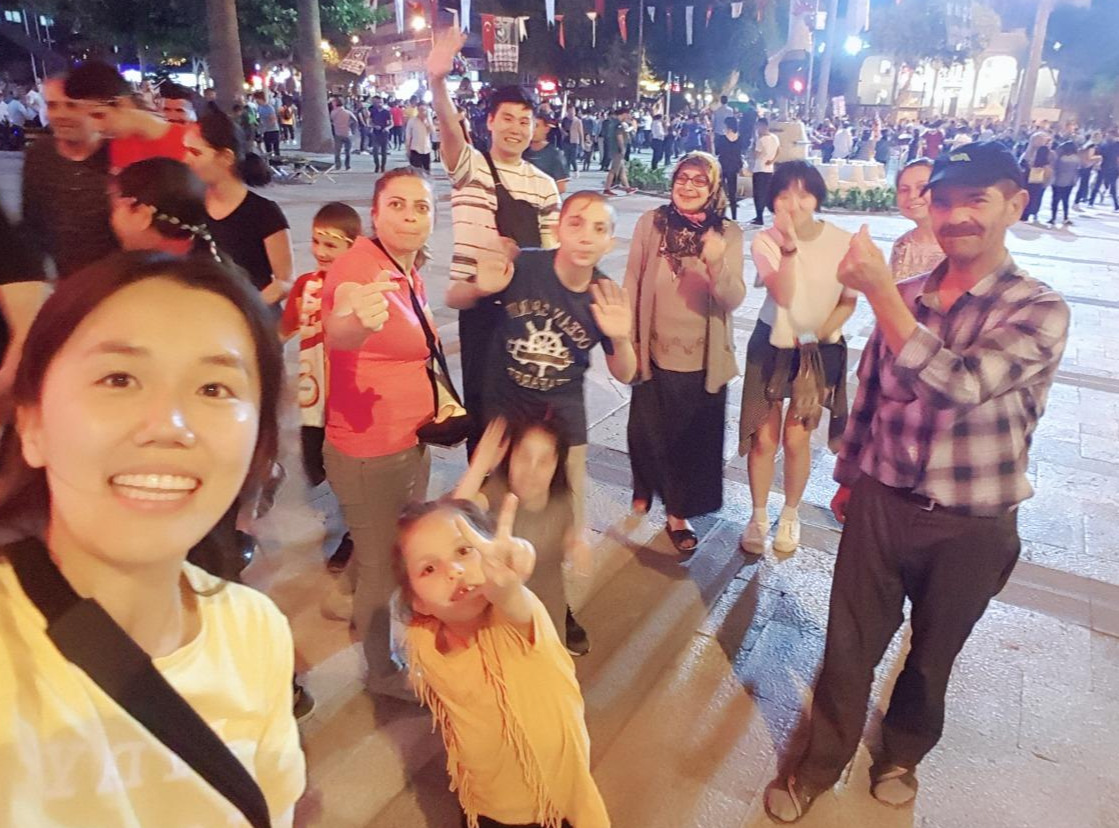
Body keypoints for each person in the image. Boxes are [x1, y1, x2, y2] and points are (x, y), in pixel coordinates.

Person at [764, 143, 1069, 823]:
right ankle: (818, 763)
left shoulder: (1037, 309)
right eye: (944, 201)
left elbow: (960, 384)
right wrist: (847, 476)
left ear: (1015, 205)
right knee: (848, 648)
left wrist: (877, 292)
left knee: (932, 655)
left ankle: (900, 753)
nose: (955, 216)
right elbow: (869, 398)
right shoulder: (906, 299)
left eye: (976, 200)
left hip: (972, 521)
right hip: (882, 500)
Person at [0, 251, 306, 825]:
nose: (169, 425)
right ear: (32, 424)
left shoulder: (256, 633)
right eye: (119, 379)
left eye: (214, 388)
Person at [393, 496, 610, 828]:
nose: (454, 571)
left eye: (464, 550)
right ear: (417, 602)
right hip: (482, 800)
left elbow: (513, 598)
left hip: (549, 807)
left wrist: (508, 584)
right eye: (429, 568)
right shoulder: (424, 638)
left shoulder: (514, 626)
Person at [447, 191, 637, 562]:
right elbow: (455, 297)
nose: (585, 236)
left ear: (610, 242)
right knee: (491, 486)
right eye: (576, 224)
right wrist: (480, 286)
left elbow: (626, 373)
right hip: (507, 404)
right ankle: (486, 558)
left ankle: (556, 561)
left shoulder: (604, 295)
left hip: (562, 410)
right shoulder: (525, 266)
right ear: (558, 228)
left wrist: (621, 338)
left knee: (566, 489)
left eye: (599, 229)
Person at [319, 168, 436, 696]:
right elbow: (341, 325)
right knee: (382, 570)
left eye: (421, 207)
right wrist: (354, 322)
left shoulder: (406, 268)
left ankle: (342, 596)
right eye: (397, 205)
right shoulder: (359, 267)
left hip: (410, 439)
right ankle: (381, 673)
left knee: (382, 546)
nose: (410, 216)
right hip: (371, 449)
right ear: (374, 213)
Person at [428, 28, 561, 455]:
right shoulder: (470, 166)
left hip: (527, 312)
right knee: (484, 414)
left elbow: (552, 255)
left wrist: (524, 261)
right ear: (489, 122)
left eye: (524, 120)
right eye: (507, 118)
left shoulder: (544, 185)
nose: (516, 128)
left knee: (524, 415)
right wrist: (437, 81)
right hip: (480, 309)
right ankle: (481, 486)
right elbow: (449, 129)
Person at [624, 153, 746, 554]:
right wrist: (627, 338)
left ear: (713, 189)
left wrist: (716, 263)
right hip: (653, 347)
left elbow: (732, 298)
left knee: (688, 438)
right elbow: (633, 278)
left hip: (701, 357)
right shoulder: (653, 223)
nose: (688, 186)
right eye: (682, 177)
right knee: (647, 427)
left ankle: (677, 512)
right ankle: (644, 484)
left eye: (699, 180)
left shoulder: (726, 233)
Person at [738, 161, 856, 556]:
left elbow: (848, 301)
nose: (794, 203)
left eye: (803, 194)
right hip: (771, 344)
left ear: (817, 198)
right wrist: (789, 246)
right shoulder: (766, 241)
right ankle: (757, 516)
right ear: (772, 200)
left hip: (819, 349)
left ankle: (790, 514)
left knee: (796, 438)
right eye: (784, 194)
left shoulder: (841, 241)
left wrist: (814, 336)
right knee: (763, 439)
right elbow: (784, 295)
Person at [454, 416, 590, 655]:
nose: (531, 471)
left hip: (548, 613)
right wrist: (479, 467)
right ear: (509, 457)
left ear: (556, 465)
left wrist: (576, 542)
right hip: (501, 622)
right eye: (524, 457)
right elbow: (453, 516)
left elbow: (563, 540)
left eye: (544, 461)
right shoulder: (497, 495)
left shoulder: (560, 501)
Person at [279, 202, 361, 574]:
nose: (321, 251)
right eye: (316, 242)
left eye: (331, 244)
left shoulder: (362, 289)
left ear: (352, 247)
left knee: (350, 472)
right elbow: (284, 330)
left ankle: (355, 532)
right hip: (313, 399)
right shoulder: (306, 286)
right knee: (314, 465)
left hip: (351, 400)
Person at [185, 109, 293, 312]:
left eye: (196, 152)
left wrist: (246, 308)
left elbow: (284, 281)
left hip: (250, 318)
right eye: (186, 150)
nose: (186, 159)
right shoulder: (190, 205)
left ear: (226, 157)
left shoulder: (264, 212)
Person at [20, 75, 119, 279]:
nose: (60, 115)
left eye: (72, 105)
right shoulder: (40, 154)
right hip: (66, 281)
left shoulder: (119, 154)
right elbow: (32, 223)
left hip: (120, 280)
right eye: (52, 105)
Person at [109, 158, 222, 261]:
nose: (111, 212)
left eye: (114, 202)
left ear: (142, 215)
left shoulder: (146, 273)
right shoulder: (205, 264)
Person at [889, 159, 944, 281]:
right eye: (904, 190)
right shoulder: (902, 244)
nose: (912, 196)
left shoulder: (958, 244)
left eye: (922, 187)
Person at [524, 112, 570, 193]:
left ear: (547, 128)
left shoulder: (555, 155)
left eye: (536, 126)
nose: (532, 130)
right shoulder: (522, 152)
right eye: (530, 125)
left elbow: (561, 187)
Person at [750, 117, 781, 225]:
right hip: (769, 169)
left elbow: (755, 154)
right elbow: (778, 151)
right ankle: (763, 215)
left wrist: (754, 144)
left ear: (763, 126)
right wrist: (772, 160)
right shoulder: (775, 138)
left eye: (758, 126)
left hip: (759, 169)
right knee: (766, 193)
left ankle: (759, 216)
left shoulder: (761, 140)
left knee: (758, 194)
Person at [716, 116, 745, 221]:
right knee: (732, 192)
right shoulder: (740, 139)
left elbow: (717, 152)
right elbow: (740, 152)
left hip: (723, 165)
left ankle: (720, 213)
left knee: (720, 190)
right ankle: (734, 216)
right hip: (734, 166)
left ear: (727, 125)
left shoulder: (721, 138)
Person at [1019, 132, 1052, 224]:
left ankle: (1030, 213)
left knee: (1034, 196)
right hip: (1026, 176)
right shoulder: (1028, 150)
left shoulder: (1045, 151)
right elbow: (1022, 162)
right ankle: (1024, 213)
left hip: (1037, 177)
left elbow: (1047, 165)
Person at [604, 107, 636, 196]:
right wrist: (622, 149)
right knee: (614, 169)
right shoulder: (618, 124)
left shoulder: (613, 123)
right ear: (624, 114)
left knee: (622, 170)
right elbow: (619, 137)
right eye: (628, 114)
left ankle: (627, 188)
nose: (629, 116)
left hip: (614, 148)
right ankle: (607, 188)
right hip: (617, 150)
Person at [1049, 140, 1080, 227]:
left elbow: (1055, 168)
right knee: (1066, 200)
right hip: (1070, 181)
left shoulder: (1060, 158)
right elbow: (1076, 170)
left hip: (1058, 180)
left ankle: (1053, 218)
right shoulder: (1076, 159)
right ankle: (1065, 217)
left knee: (1055, 200)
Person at [1088, 127, 1119, 210]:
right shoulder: (1103, 144)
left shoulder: (1114, 144)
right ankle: (1091, 201)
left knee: (1112, 187)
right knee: (1098, 185)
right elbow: (1098, 154)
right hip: (1105, 166)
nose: (1109, 136)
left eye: (1111, 135)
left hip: (1111, 167)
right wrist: (1097, 164)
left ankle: (1116, 205)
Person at [404, 101, 434, 172]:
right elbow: (408, 136)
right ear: (417, 109)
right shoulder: (412, 121)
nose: (422, 112)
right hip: (415, 149)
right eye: (421, 110)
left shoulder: (428, 121)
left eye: (424, 110)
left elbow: (432, 132)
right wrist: (407, 150)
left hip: (426, 149)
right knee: (416, 172)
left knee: (427, 172)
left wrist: (427, 120)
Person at [330, 97, 358, 171]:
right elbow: (355, 120)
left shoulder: (333, 112)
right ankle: (347, 166)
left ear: (336, 103)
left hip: (338, 133)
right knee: (347, 151)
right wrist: (352, 128)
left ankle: (338, 166)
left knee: (337, 151)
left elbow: (332, 121)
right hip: (348, 133)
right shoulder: (348, 112)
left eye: (333, 102)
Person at [369, 95, 392, 172]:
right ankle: (377, 165)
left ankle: (383, 166)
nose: (379, 104)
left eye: (381, 102)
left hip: (384, 133)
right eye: (378, 102)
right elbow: (370, 122)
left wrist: (387, 128)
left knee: (383, 151)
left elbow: (391, 123)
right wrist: (374, 126)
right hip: (375, 133)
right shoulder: (373, 112)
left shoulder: (387, 112)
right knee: (375, 150)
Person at [255, 92, 281, 157]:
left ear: (261, 99)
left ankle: (277, 160)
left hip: (273, 130)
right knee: (268, 149)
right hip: (265, 131)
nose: (256, 101)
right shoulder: (259, 108)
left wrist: (266, 127)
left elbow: (273, 119)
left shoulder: (269, 108)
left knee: (275, 148)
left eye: (257, 99)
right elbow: (258, 117)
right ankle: (270, 160)